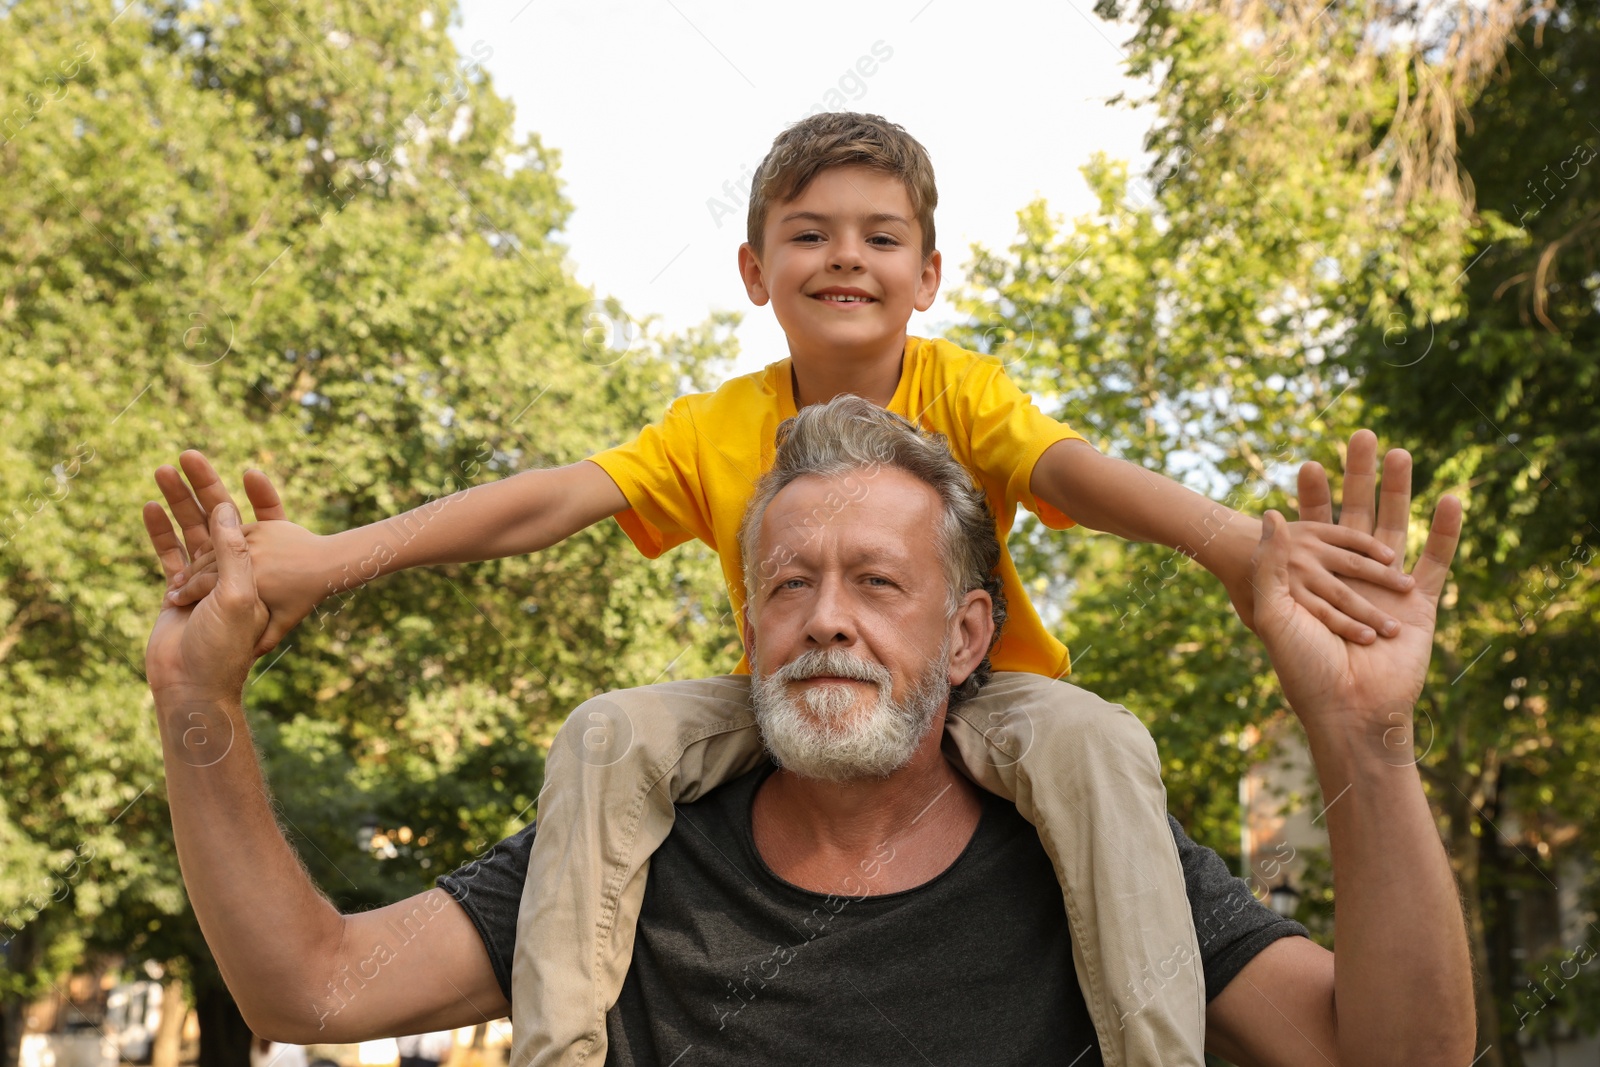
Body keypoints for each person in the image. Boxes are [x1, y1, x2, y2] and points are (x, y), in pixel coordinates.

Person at [157, 113, 1415, 1067]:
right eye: (809, 235)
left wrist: (1239, 549)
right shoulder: (717, 427)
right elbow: (541, 504)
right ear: (754, 268)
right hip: (774, 710)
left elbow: (1079, 479)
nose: (844, 259)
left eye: (879, 236)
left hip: (997, 708)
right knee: (607, 735)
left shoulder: (964, 393)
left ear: (929, 272)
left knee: (1096, 741)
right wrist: (330, 559)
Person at [142, 397, 1473, 1065]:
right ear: (749, 625)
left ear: (965, 639)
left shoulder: (1092, 843)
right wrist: (195, 704)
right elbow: (307, 988)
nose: (824, 619)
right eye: (789, 582)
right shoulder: (627, 845)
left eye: (877, 584)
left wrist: (1363, 738)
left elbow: (1399, 1055)